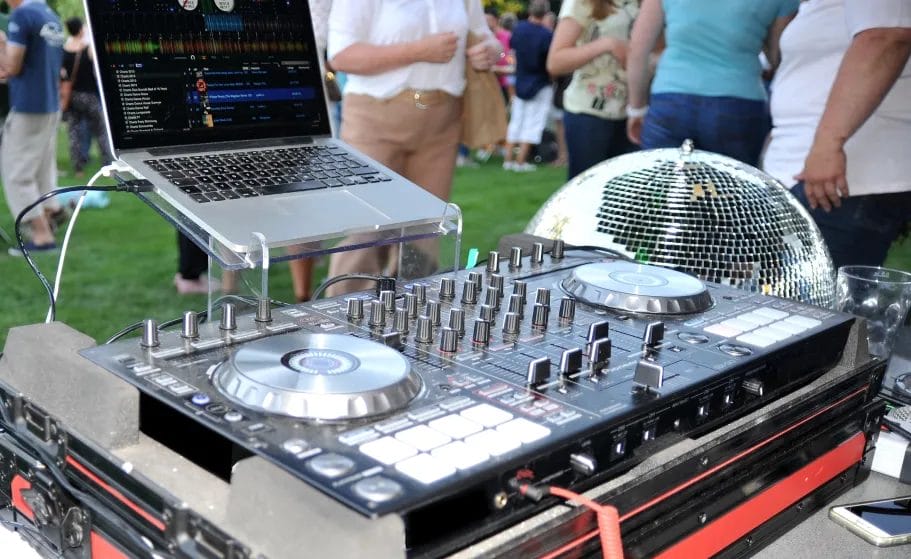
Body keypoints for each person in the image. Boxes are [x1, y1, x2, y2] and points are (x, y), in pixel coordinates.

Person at [324, 0, 498, 295]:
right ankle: (341, 324)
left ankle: (412, 322)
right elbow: (340, 56)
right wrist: (418, 51)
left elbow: (484, 36)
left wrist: (490, 50)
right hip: (373, 119)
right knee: (363, 233)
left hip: (441, 122)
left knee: (425, 233)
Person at [763, 0, 911, 270]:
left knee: (815, 306)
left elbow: (886, 36)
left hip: (845, 177)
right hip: (816, 169)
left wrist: (828, 144)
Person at [626, 0, 798, 167]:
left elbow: (638, 50)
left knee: (661, 189)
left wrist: (636, 108)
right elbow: (780, 55)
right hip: (739, 103)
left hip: (670, 99)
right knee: (729, 191)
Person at [0, 0, 65, 256]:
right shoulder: (48, 13)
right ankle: (51, 213)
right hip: (50, 103)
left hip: (28, 105)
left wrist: (2, 43)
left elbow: (12, 66)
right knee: (41, 169)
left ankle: (41, 236)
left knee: (17, 173)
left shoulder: (22, 15)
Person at [547, 0, 639, 179]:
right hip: (589, 114)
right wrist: (606, 44)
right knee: (588, 196)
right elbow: (555, 62)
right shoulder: (581, 2)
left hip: (634, 112)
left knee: (626, 199)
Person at [502, 0, 554, 173]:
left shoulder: (519, 29)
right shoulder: (546, 35)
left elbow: (513, 50)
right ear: (545, 13)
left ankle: (508, 160)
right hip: (540, 81)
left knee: (517, 120)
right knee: (534, 122)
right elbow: (549, 62)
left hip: (521, 78)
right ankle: (520, 161)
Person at [61, 17, 113, 178]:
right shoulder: (88, 49)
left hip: (73, 96)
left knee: (75, 133)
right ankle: (108, 165)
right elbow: (98, 72)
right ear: (81, 30)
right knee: (101, 131)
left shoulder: (64, 50)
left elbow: (62, 75)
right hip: (89, 96)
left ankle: (78, 169)